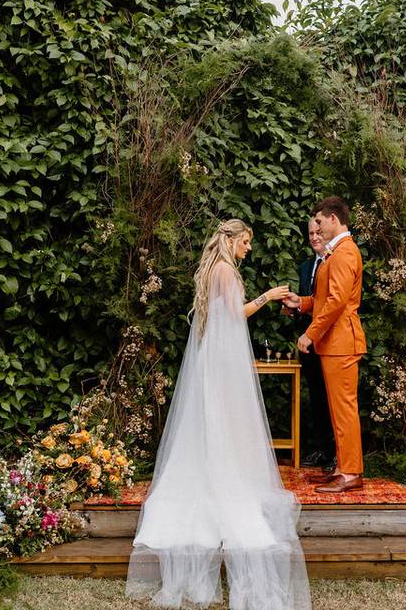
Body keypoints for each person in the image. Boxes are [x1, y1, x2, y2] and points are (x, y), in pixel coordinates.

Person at [126, 219, 312, 610]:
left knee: (215, 421)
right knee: (226, 418)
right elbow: (237, 313)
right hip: (223, 357)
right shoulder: (225, 270)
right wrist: (268, 296)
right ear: (230, 240)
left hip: (214, 354)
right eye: (245, 241)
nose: (248, 248)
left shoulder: (213, 268)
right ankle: (223, 476)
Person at [284, 197, 367, 493]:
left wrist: (310, 334)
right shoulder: (339, 252)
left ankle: (351, 473)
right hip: (335, 342)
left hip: (341, 341)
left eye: (319, 221)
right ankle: (343, 469)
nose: (316, 227)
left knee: (344, 410)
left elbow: (336, 302)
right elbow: (324, 300)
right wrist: (302, 302)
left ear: (333, 219)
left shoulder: (344, 253)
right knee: (338, 410)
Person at [294, 219, 335, 471]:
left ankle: (336, 454)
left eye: (318, 232)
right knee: (316, 397)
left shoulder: (336, 261)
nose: (314, 237)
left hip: (330, 341)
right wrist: (295, 306)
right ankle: (321, 449)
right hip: (308, 344)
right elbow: (310, 302)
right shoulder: (306, 266)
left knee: (334, 399)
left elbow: (333, 305)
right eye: (310, 233)